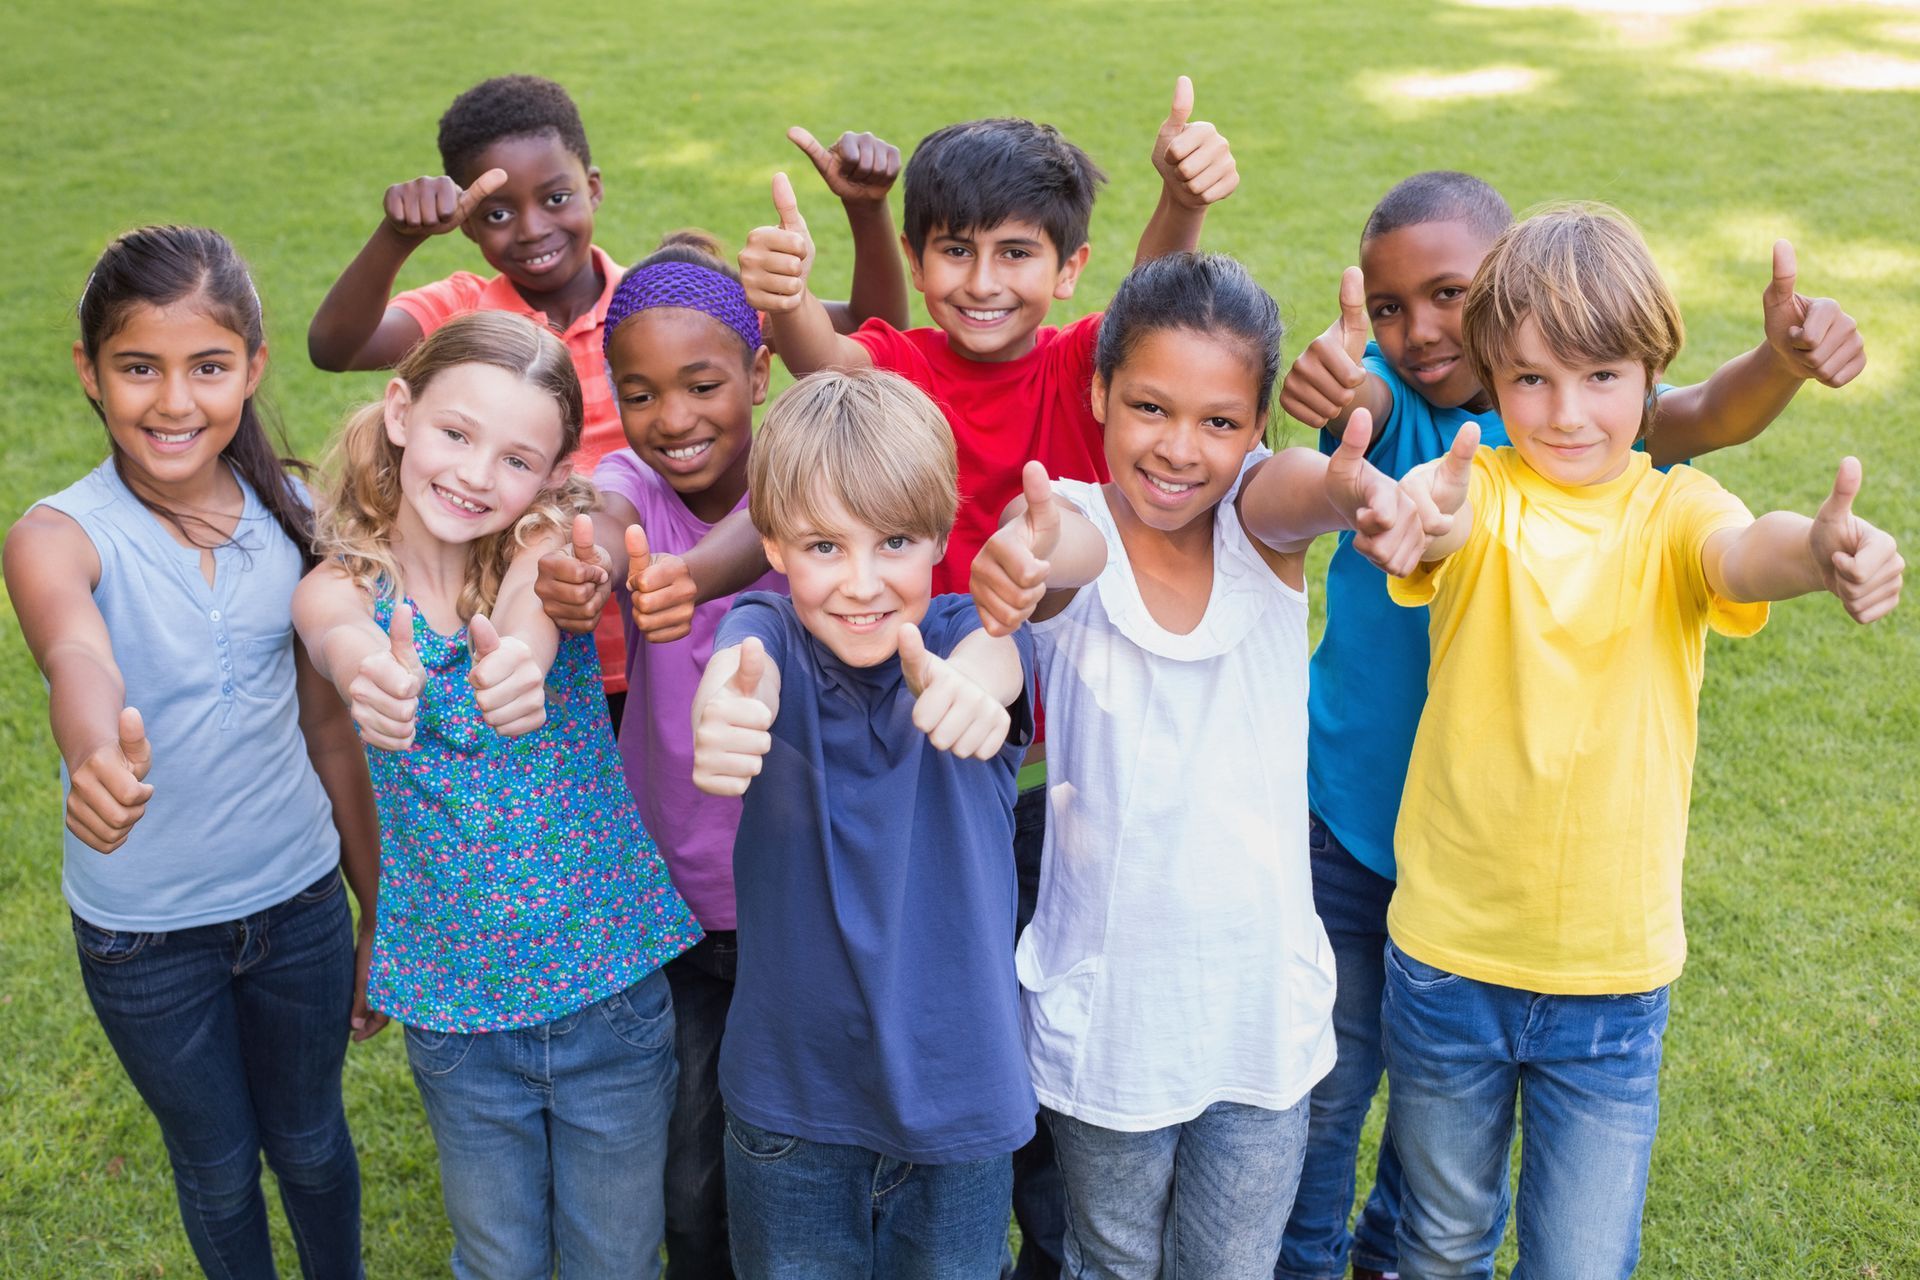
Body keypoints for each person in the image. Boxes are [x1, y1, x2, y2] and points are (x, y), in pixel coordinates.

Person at [1273, 171, 1868, 1280]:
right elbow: (1427, 494)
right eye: (1533, 381)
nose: (1565, 410)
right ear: (1504, 375)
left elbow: (1734, 518)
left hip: (1585, 955)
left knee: (1526, 1230)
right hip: (1407, 898)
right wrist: (1394, 486)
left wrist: (1817, 539)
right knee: (1387, 1162)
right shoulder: (1456, 460)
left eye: (1599, 376)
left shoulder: (1633, 482)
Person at [737, 81, 1240, 1274]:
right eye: (954, 251)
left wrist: (1178, 200)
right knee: (949, 977)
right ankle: (936, 1176)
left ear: (1067, 269)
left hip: (1058, 751)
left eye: (1016, 253)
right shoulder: (900, 359)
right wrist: (786, 298)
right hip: (926, 733)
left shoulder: (1081, 365)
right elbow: (823, 363)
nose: (982, 280)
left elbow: (1151, 316)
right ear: (916, 259)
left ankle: (1031, 1216)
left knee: (1047, 994)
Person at [969, 251, 1425, 1279]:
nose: (1180, 449)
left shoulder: (1260, 525)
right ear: (1100, 393)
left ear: (1258, 427)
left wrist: (1355, 487)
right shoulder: (1073, 520)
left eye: (1220, 421)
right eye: (1149, 407)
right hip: (1113, 1019)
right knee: (1110, 1259)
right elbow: (1055, 558)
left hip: (1259, 1017)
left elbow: (1300, 493)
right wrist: (1022, 558)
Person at [292, 310, 702, 1279]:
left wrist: (516, 661)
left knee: (614, 1259)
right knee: (497, 1258)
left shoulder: (544, 549)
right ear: (401, 410)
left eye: (518, 458)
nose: (478, 474)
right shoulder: (336, 591)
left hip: (608, 987)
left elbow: (533, 612)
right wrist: (372, 680)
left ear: (552, 472)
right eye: (456, 433)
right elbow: (340, 641)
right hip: (455, 1011)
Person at [4, 225, 378, 1280]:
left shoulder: (296, 519)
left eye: (207, 367)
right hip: (146, 940)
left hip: (298, 905)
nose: (175, 402)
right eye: (139, 368)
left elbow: (328, 727)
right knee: (217, 1166)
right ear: (89, 372)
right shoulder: (57, 532)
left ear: (252, 369)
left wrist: (374, 900)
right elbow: (76, 650)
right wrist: (93, 752)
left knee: (310, 1142)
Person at [306, 72, 910, 714]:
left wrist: (867, 211)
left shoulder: (666, 312)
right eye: (500, 213)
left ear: (593, 188)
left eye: (557, 197)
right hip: (540, 643)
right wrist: (397, 238)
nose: (534, 229)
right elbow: (335, 346)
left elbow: (874, 342)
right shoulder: (465, 313)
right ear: (467, 224)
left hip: (650, 637)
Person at [690, 369, 1036, 1278]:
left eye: (893, 542)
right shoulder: (766, 628)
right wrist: (725, 710)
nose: (862, 582)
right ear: (771, 542)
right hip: (792, 1112)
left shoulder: (971, 637)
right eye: (822, 546)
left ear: (939, 539)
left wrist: (971, 686)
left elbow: (992, 657)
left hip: (960, 1115)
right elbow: (743, 661)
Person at [532, 230, 786, 1278]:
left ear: (758, 374)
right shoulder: (630, 485)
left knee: (795, 1138)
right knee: (687, 1160)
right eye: (639, 391)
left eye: (701, 383)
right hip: (673, 897)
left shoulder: (804, 469)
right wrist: (568, 568)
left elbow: (789, 514)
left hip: (801, 887)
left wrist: (699, 577)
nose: (673, 417)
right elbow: (589, 516)